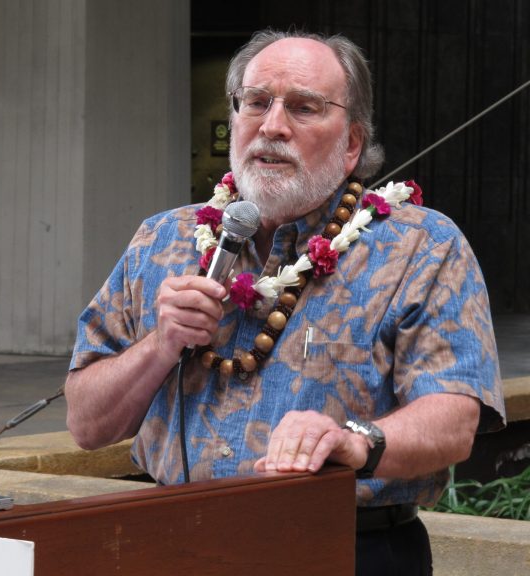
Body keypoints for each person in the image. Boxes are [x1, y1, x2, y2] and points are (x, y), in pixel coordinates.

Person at [65, 29, 505, 575]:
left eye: (303, 107)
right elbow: (86, 424)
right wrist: (162, 344)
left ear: (351, 144)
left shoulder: (423, 247)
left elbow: (455, 419)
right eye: (256, 102)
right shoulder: (163, 239)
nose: (272, 126)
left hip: (342, 550)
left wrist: (354, 441)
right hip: (171, 543)